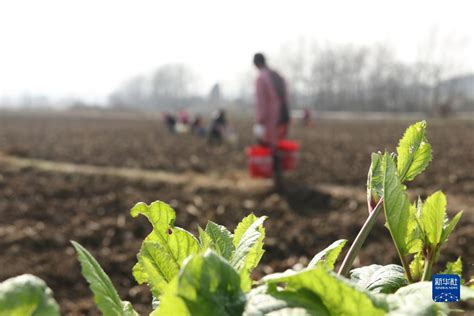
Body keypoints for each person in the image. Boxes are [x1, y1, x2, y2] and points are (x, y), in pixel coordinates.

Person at [253, 53, 290, 190]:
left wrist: (260, 120)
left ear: (256, 64)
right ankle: (279, 177)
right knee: (277, 147)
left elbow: (261, 102)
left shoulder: (261, 78)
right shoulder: (277, 75)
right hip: (283, 116)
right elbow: (285, 96)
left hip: (270, 119)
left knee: (268, 147)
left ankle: (274, 179)